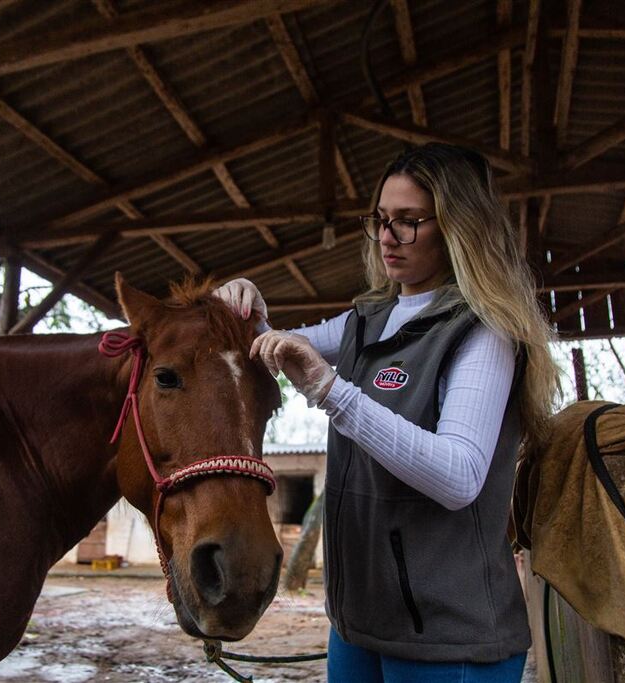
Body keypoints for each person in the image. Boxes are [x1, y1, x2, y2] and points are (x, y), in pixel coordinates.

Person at [215, 143, 559, 683]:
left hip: (448, 638)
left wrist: (333, 392)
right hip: (358, 626)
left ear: (456, 228)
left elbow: (459, 475)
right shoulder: (366, 319)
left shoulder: (482, 330)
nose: (387, 237)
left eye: (408, 221)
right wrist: (241, 312)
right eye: (380, 219)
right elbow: (269, 347)